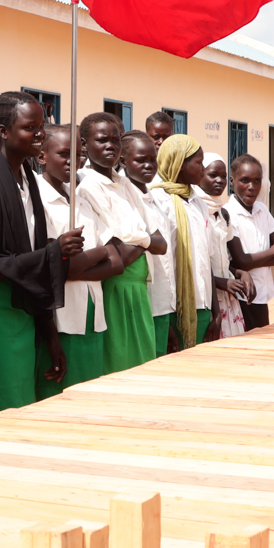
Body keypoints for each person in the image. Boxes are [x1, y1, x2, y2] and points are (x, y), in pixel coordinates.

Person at [0, 92, 80, 412]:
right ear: (3, 132)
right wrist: (52, 252)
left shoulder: (28, 180)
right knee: (6, 406)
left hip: (26, 309)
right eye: (31, 127)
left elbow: (30, 254)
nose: (41, 134)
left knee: (26, 403)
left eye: (42, 126)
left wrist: (50, 333)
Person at [34, 126, 125, 397]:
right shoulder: (37, 200)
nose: (73, 162)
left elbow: (117, 261)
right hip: (61, 318)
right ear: (42, 156)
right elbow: (50, 267)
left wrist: (75, 263)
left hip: (92, 315)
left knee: (91, 397)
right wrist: (98, 254)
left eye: (78, 154)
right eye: (64, 154)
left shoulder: (80, 198)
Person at [75, 113, 159, 373]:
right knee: (119, 362)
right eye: (102, 140)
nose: (110, 146)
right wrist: (144, 240)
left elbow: (160, 242)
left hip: (139, 287)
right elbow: (117, 250)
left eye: (115, 140)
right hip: (116, 286)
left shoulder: (124, 183)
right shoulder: (88, 186)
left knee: (144, 360)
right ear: (84, 144)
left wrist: (140, 239)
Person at [151, 135, 221, 350]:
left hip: (201, 304)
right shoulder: (157, 200)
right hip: (170, 308)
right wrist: (165, 319)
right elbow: (158, 265)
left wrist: (215, 311)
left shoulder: (199, 202)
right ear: (178, 163)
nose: (202, 168)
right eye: (198, 163)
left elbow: (205, 260)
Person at [122, 131, 179, 355]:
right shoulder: (125, 199)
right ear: (123, 161)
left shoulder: (153, 197)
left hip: (163, 301)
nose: (148, 165)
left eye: (152, 159)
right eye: (140, 160)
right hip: (143, 299)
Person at [226, 153, 274, 331]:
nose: (251, 187)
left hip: (262, 293)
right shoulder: (228, 213)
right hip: (241, 295)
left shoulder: (262, 209)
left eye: (257, 181)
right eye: (245, 180)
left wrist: (254, 259)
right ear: (231, 181)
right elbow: (241, 261)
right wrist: (273, 251)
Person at [199, 154, 247, 339]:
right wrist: (222, 282)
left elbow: (224, 258)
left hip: (227, 296)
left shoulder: (222, 214)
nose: (220, 181)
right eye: (213, 175)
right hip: (208, 297)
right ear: (200, 174)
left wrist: (239, 273)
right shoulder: (195, 210)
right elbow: (198, 261)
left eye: (223, 176)